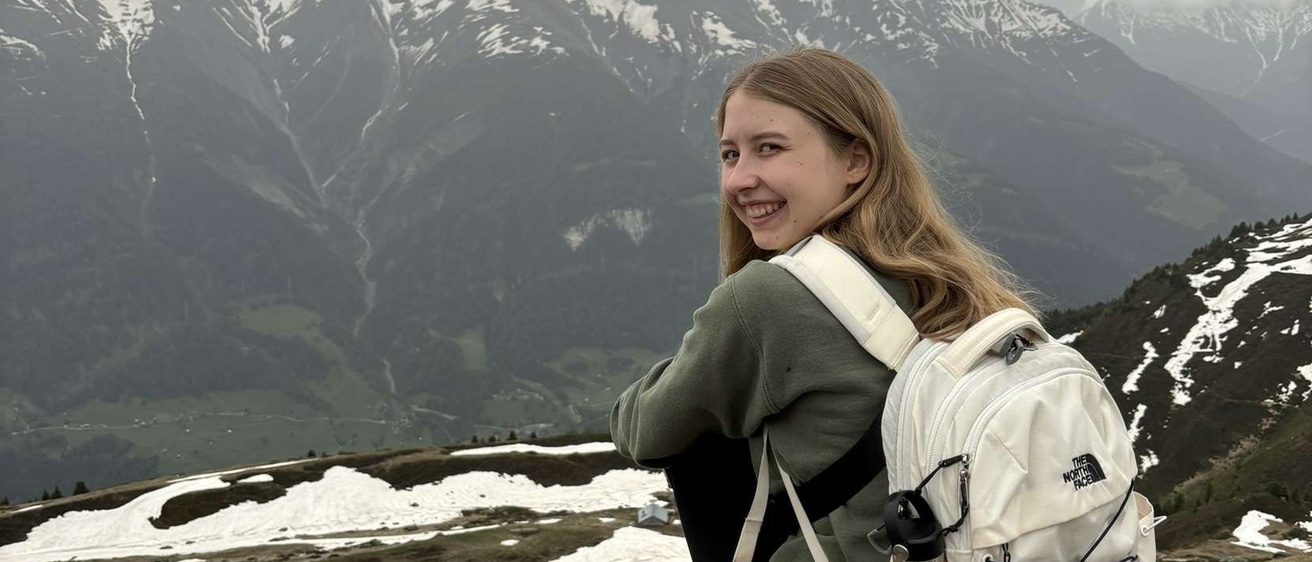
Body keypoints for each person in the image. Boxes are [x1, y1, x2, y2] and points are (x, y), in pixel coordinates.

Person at [610, 47, 1039, 562]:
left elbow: (645, 430)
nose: (738, 179)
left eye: (769, 148)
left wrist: (705, 365)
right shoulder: (956, 281)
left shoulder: (766, 299)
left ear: (856, 160)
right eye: (730, 154)